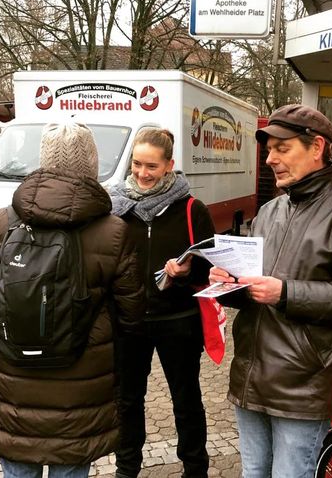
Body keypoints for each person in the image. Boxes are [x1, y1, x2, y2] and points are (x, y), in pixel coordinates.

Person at [210, 104, 332, 478]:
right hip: (250, 374)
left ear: (317, 147)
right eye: (269, 150)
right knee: (254, 472)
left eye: (282, 148)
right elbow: (252, 285)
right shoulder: (271, 210)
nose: (271, 159)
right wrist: (226, 286)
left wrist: (286, 293)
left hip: (303, 384)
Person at [0, 122, 144, 478]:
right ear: (90, 166)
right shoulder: (113, 231)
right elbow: (132, 316)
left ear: (41, 162)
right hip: (82, 391)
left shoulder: (1, 223)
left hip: (13, 387)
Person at [109, 126, 215, 478]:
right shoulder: (115, 209)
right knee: (127, 401)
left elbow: (213, 268)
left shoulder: (191, 209)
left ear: (170, 165)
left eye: (151, 166)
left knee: (185, 400)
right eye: (137, 164)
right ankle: (127, 469)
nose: (142, 174)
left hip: (178, 320)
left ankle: (195, 468)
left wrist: (188, 271)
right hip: (129, 321)